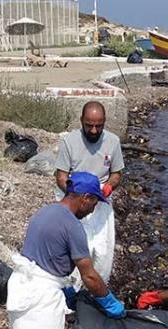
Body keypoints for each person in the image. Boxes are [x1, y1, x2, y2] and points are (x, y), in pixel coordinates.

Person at [8, 172, 127, 329]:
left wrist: (65, 289)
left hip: (23, 284)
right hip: (39, 297)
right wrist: (109, 302)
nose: (94, 209)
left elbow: (43, 257)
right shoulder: (73, 227)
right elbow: (90, 276)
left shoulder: (46, 212)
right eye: (95, 202)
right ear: (85, 198)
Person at [54, 101, 125, 284]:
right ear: (81, 121)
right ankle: (71, 288)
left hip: (100, 198)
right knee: (77, 248)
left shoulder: (113, 141)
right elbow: (61, 176)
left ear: (104, 122)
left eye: (98, 126)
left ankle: (98, 288)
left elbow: (116, 174)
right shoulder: (69, 142)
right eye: (89, 125)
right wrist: (75, 196)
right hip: (75, 197)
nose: (93, 131)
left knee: (102, 250)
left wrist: (107, 188)